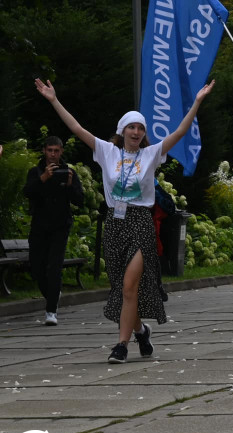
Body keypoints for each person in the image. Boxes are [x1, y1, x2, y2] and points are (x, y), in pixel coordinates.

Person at [35, 78, 214, 362]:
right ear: (122, 130)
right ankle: (141, 330)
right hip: (115, 224)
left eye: (140, 127)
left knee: (130, 286)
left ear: (144, 134)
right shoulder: (107, 152)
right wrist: (54, 100)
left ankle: (121, 345)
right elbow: (76, 128)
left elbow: (180, 131)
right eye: (131, 126)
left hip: (140, 222)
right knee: (121, 288)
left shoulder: (151, 154)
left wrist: (197, 102)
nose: (136, 131)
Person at [23, 135, 84, 326]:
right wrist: (43, 179)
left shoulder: (69, 172)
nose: (52, 154)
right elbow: (27, 192)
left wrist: (68, 186)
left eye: (56, 151)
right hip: (40, 226)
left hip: (60, 226)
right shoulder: (36, 171)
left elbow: (79, 200)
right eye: (49, 150)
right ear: (44, 151)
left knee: (54, 267)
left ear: (61, 152)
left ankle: (51, 311)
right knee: (37, 267)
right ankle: (52, 294)